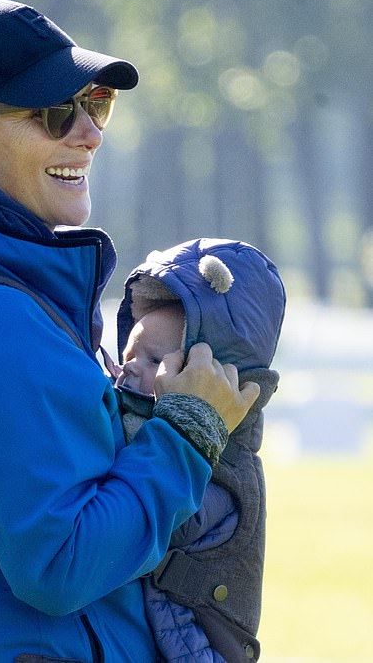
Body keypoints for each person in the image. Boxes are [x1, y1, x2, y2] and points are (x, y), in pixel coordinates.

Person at [0, 0, 259, 660]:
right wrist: (189, 431)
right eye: (54, 113)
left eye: (95, 103)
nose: (89, 133)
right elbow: (61, 568)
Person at [113, 238, 286, 663]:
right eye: (128, 352)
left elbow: (152, 525)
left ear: (210, 375)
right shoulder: (145, 424)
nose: (129, 367)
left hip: (198, 646)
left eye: (153, 359)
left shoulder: (223, 469)